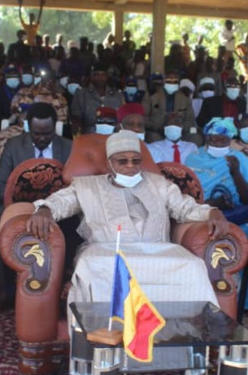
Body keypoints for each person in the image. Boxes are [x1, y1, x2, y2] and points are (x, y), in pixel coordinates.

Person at [26, 130, 229, 310]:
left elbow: (185, 208)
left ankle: (189, 336)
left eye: (136, 161)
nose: (131, 166)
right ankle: (101, 338)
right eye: (122, 161)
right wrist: (45, 210)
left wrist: (211, 212)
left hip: (158, 251)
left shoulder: (160, 184)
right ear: (109, 164)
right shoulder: (86, 186)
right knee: (91, 265)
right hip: (105, 253)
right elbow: (61, 202)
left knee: (193, 265)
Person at [0, 103, 72, 311]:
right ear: (28, 128)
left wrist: (52, 207)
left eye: (47, 133)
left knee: (75, 225)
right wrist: (22, 206)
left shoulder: (68, 147)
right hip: (20, 206)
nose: (42, 138)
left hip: (57, 209)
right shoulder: (14, 145)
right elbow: (1, 185)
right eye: (37, 134)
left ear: (55, 127)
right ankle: (7, 289)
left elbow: (74, 187)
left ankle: (59, 287)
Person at [186, 118, 248, 224]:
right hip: (200, 213)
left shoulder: (239, 159)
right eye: (214, 140)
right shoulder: (193, 158)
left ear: (230, 141)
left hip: (235, 214)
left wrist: (236, 174)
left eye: (223, 140)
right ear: (207, 138)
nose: (218, 144)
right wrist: (211, 204)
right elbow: (185, 192)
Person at [144, 70, 196, 142]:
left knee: (195, 138)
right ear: (163, 81)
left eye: (175, 81)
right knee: (153, 138)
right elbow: (144, 117)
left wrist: (179, 126)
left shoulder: (184, 96)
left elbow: (190, 119)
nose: (172, 83)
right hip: (158, 130)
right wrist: (159, 125)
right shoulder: (152, 95)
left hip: (180, 131)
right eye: (169, 81)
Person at [71, 65, 124, 135]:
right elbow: (76, 115)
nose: (100, 78)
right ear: (91, 76)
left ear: (107, 76)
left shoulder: (117, 95)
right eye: (97, 75)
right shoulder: (81, 94)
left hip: (113, 136)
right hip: (89, 135)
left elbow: (122, 118)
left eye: (103, 75)